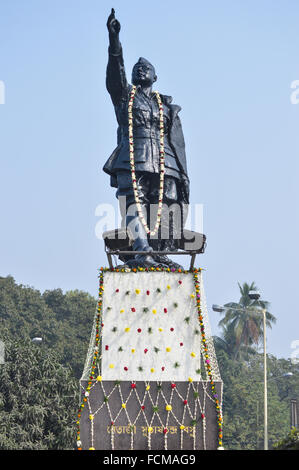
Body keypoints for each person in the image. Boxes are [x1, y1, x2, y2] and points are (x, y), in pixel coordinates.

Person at [103, 9, 190, 268]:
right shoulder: (124, 96)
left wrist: (183, 173)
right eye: (136, 68)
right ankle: (142, 251)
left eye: (147, 68)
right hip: (133, 157)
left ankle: (160, 252)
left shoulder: (165, 106)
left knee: (165, 204)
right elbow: (114, 72)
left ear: (155, 76)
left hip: (166, 163)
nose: (141, 69)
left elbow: (177, 141)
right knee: (134, 204)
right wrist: (114, 41)